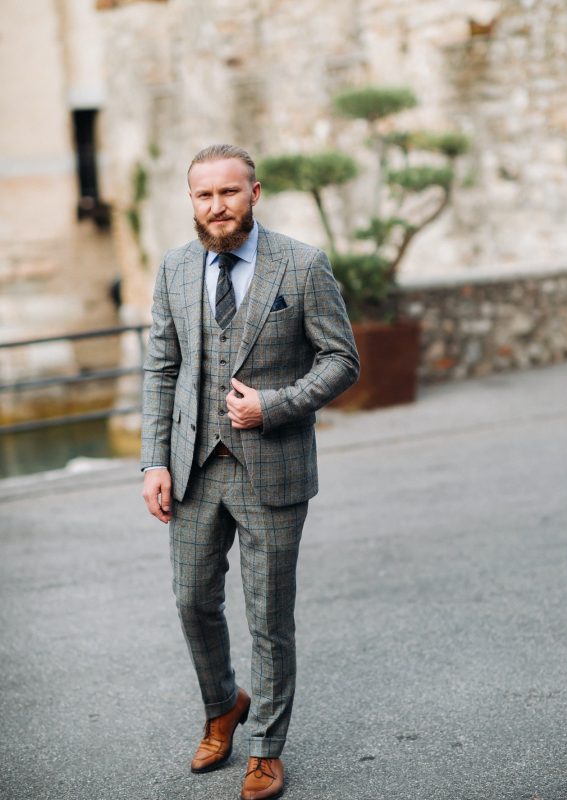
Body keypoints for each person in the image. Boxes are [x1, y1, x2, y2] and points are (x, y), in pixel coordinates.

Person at [141, 144, 359, 800]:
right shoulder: (176, 267)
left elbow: (342, 360)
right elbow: (162, 368)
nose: (217, 206)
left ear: (254, 194)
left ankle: (265, 746)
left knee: (268, 616)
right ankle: (222, 707)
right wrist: (154, 460)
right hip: (193, 467)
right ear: (192, 200)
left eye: (229, 192)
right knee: (191, 600)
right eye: (204, 195)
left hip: (273, 465)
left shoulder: (303, 264)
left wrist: (274, 405)